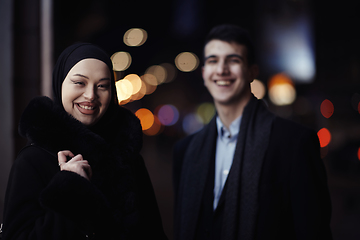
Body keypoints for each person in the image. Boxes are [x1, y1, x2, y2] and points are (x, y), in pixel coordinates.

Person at [172, 24, 332, 240]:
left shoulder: (295, 143)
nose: (221, 69)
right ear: (204, 74)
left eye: (233, 60)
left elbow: (314, 233)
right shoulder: (185, 151)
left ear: (252, 72)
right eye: (213, 61)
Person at [3, 43, 168, 240]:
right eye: (80, 83)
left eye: (102, 86)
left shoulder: (127, 157)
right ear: (60, 84)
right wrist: (70, 187)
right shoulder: (33, 160)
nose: (91, 95)